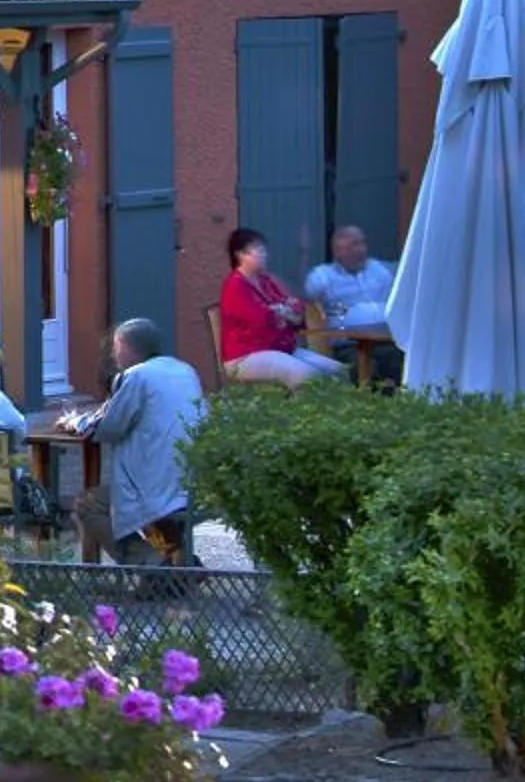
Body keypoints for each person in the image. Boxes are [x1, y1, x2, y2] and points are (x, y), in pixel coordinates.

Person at [69, 318, 206, 565]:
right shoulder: (184, 370)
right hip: (188, 480)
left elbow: (108, 427)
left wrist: (75, 423)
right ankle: (179, 561)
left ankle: (150, 564)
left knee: (89, 504)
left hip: (153, 481)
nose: (113, 354)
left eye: (115, 347)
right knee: (149, 512)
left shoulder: (136, 376)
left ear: (127, 347)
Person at [218, 227, 347, 387]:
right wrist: (283, 312)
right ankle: (302, 412)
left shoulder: (268, 281)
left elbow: (296, 307)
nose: (265, 255)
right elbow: (260, 321)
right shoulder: (235, 286)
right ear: (241, 255)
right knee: (308, 377)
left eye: (265, 250)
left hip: (281, 349)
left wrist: (283, 312)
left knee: (340, 371)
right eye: (258, 250)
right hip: (247, 355)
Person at [304, 223, 405, 384]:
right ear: (338, 251)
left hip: (386, 341)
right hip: (349, 345)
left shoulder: (379, 269)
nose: (360, 250)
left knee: (401, 365)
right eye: (353, 245)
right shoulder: (324, 276)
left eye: (362, 243)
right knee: (368, 371)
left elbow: (408, 275)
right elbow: (306, 296)